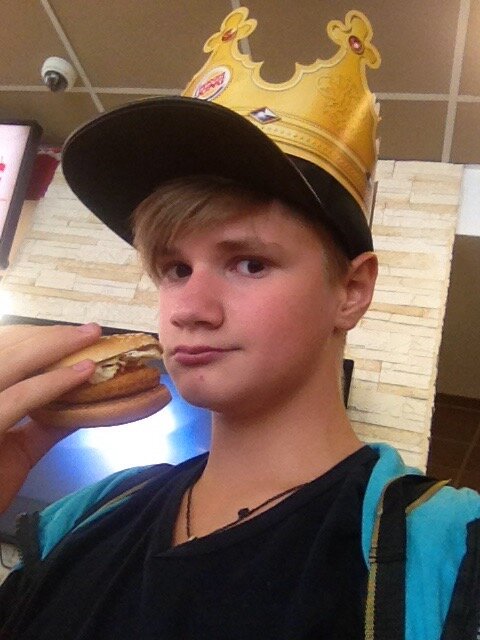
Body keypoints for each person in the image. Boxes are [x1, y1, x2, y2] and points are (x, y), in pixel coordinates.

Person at [0, 7, 479, 640]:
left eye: (249, 263)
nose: (188, 309)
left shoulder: (448, 552)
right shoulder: (76, 523)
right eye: (174, 269)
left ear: (352, 290)